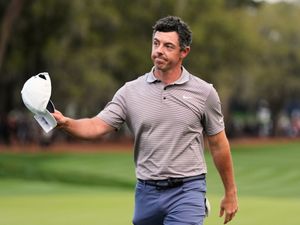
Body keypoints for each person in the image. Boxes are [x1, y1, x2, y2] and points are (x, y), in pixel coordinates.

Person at [53, 16, 238, 225]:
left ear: (184, 52)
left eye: (168, 46)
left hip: (187, 190)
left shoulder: (204, 93)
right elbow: (96, 126)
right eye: (156, 43)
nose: (159, 50)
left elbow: (219, 145)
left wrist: (230, 192)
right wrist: (66, 123)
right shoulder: (130, 92)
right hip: (146, 192)